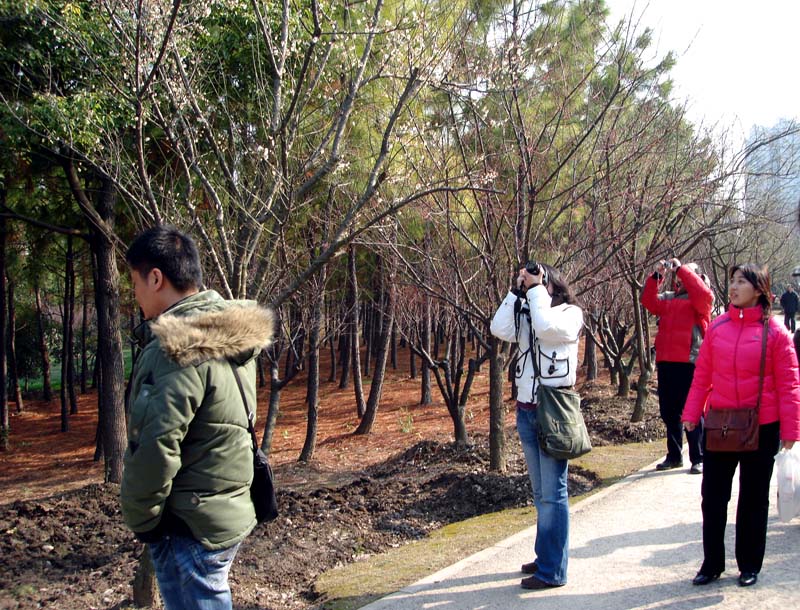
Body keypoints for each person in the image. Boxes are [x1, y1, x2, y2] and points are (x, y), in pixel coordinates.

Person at [120, 225, 274, 610]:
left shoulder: (177, 349)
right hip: (223, 509)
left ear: (156, 278)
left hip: (187, 521)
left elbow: (157, 445)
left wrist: (141, 518)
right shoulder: (227, 333)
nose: (134, 295)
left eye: (135, 282)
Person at [682, 263, 800, 588]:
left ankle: (749, 564)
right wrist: (691, 414)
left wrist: (791, 431)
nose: (733, 287)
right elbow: (702, 376)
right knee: (713, 496)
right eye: (732, 281)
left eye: (741, 282)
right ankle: (711, 563)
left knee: (753, 498)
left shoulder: (777, 334)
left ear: (759, 290)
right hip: (720, 424)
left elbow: (790, 385)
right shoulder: (717, 328)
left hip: (762, 426)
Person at [490, 260, 583, 590]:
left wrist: (538, 289)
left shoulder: (569, 315)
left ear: (551, 285)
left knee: (554, 493)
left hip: (553, 413)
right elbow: (499, 329)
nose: (530, 286)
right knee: (541, 491)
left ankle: (553, 570)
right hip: (527, 411)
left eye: (535, 282)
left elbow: (546, 329)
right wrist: (516, 292)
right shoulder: (530, 312)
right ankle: (546, 555)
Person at [641, 258, 713, 474]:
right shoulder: (669, 299)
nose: (680, 278)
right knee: (669, 411)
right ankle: (674, 456)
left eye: (686, 275)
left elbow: (702, 294)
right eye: (679, 276)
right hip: (666, 362)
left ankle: (698, 457)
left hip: (690, 363)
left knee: (692, 411)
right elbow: (648, 301)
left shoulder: (701, 300)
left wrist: (682, 268)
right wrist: (657, 276)